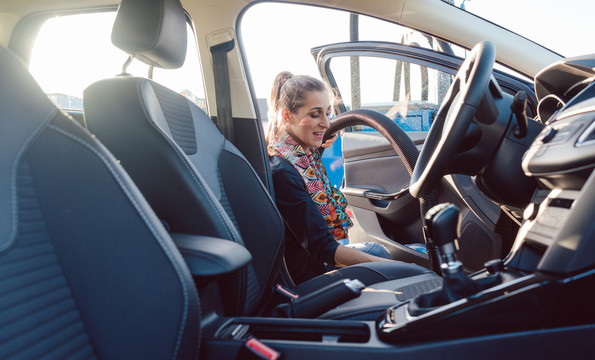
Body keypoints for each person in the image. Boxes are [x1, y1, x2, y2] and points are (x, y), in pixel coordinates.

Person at [267, 71, 391, 284]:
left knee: (379, 251)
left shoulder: (298, 155)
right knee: (383, 256)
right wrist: (397, 268)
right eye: (315, 115)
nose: (326, 123)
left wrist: (319, 140)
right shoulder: (284, 173)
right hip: (311, 276)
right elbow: (323, 248)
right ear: (287, 116)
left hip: (316, 262)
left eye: (328, 113)